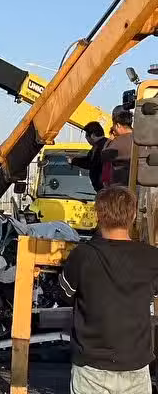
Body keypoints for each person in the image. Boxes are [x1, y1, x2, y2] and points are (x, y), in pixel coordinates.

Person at [60, 186, 158, 393]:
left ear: (98, 215)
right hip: (136, 366)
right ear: (133, 215)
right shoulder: (152, 258)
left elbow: (66, 294)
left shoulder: (82, 255)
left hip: (91, 368)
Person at [69, 121, 109, 192]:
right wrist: (75, 159)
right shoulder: (103, 144)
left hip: (104, 188)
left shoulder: (101, 146)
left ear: (92, 135)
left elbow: (92, 164)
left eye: (86, 137)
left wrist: (74, 161)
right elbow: (89, 159)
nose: (87, 140)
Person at [101, 109, 133, 188]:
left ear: (118, 125)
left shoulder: (117, 142)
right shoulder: (140, 138)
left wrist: (109, 140)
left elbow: (104, 156)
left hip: (121, 186)